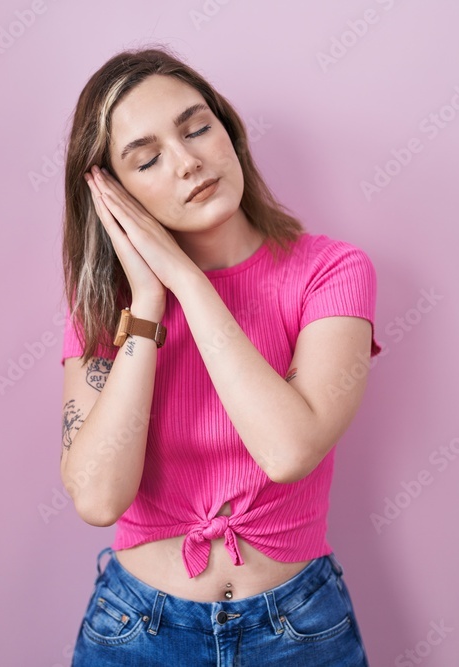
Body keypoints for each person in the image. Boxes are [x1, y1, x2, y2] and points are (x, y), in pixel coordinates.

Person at [58, 44, 381, 665]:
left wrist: (188, 281)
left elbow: (288, 450)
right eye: (147, 159)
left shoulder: (331, 272)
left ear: (228, 130)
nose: (187, 163)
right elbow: (98, 498)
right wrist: (149, 302)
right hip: (136, 629)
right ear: (113, 194)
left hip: (299, 629)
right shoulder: (109, 308)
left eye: (197, 128)